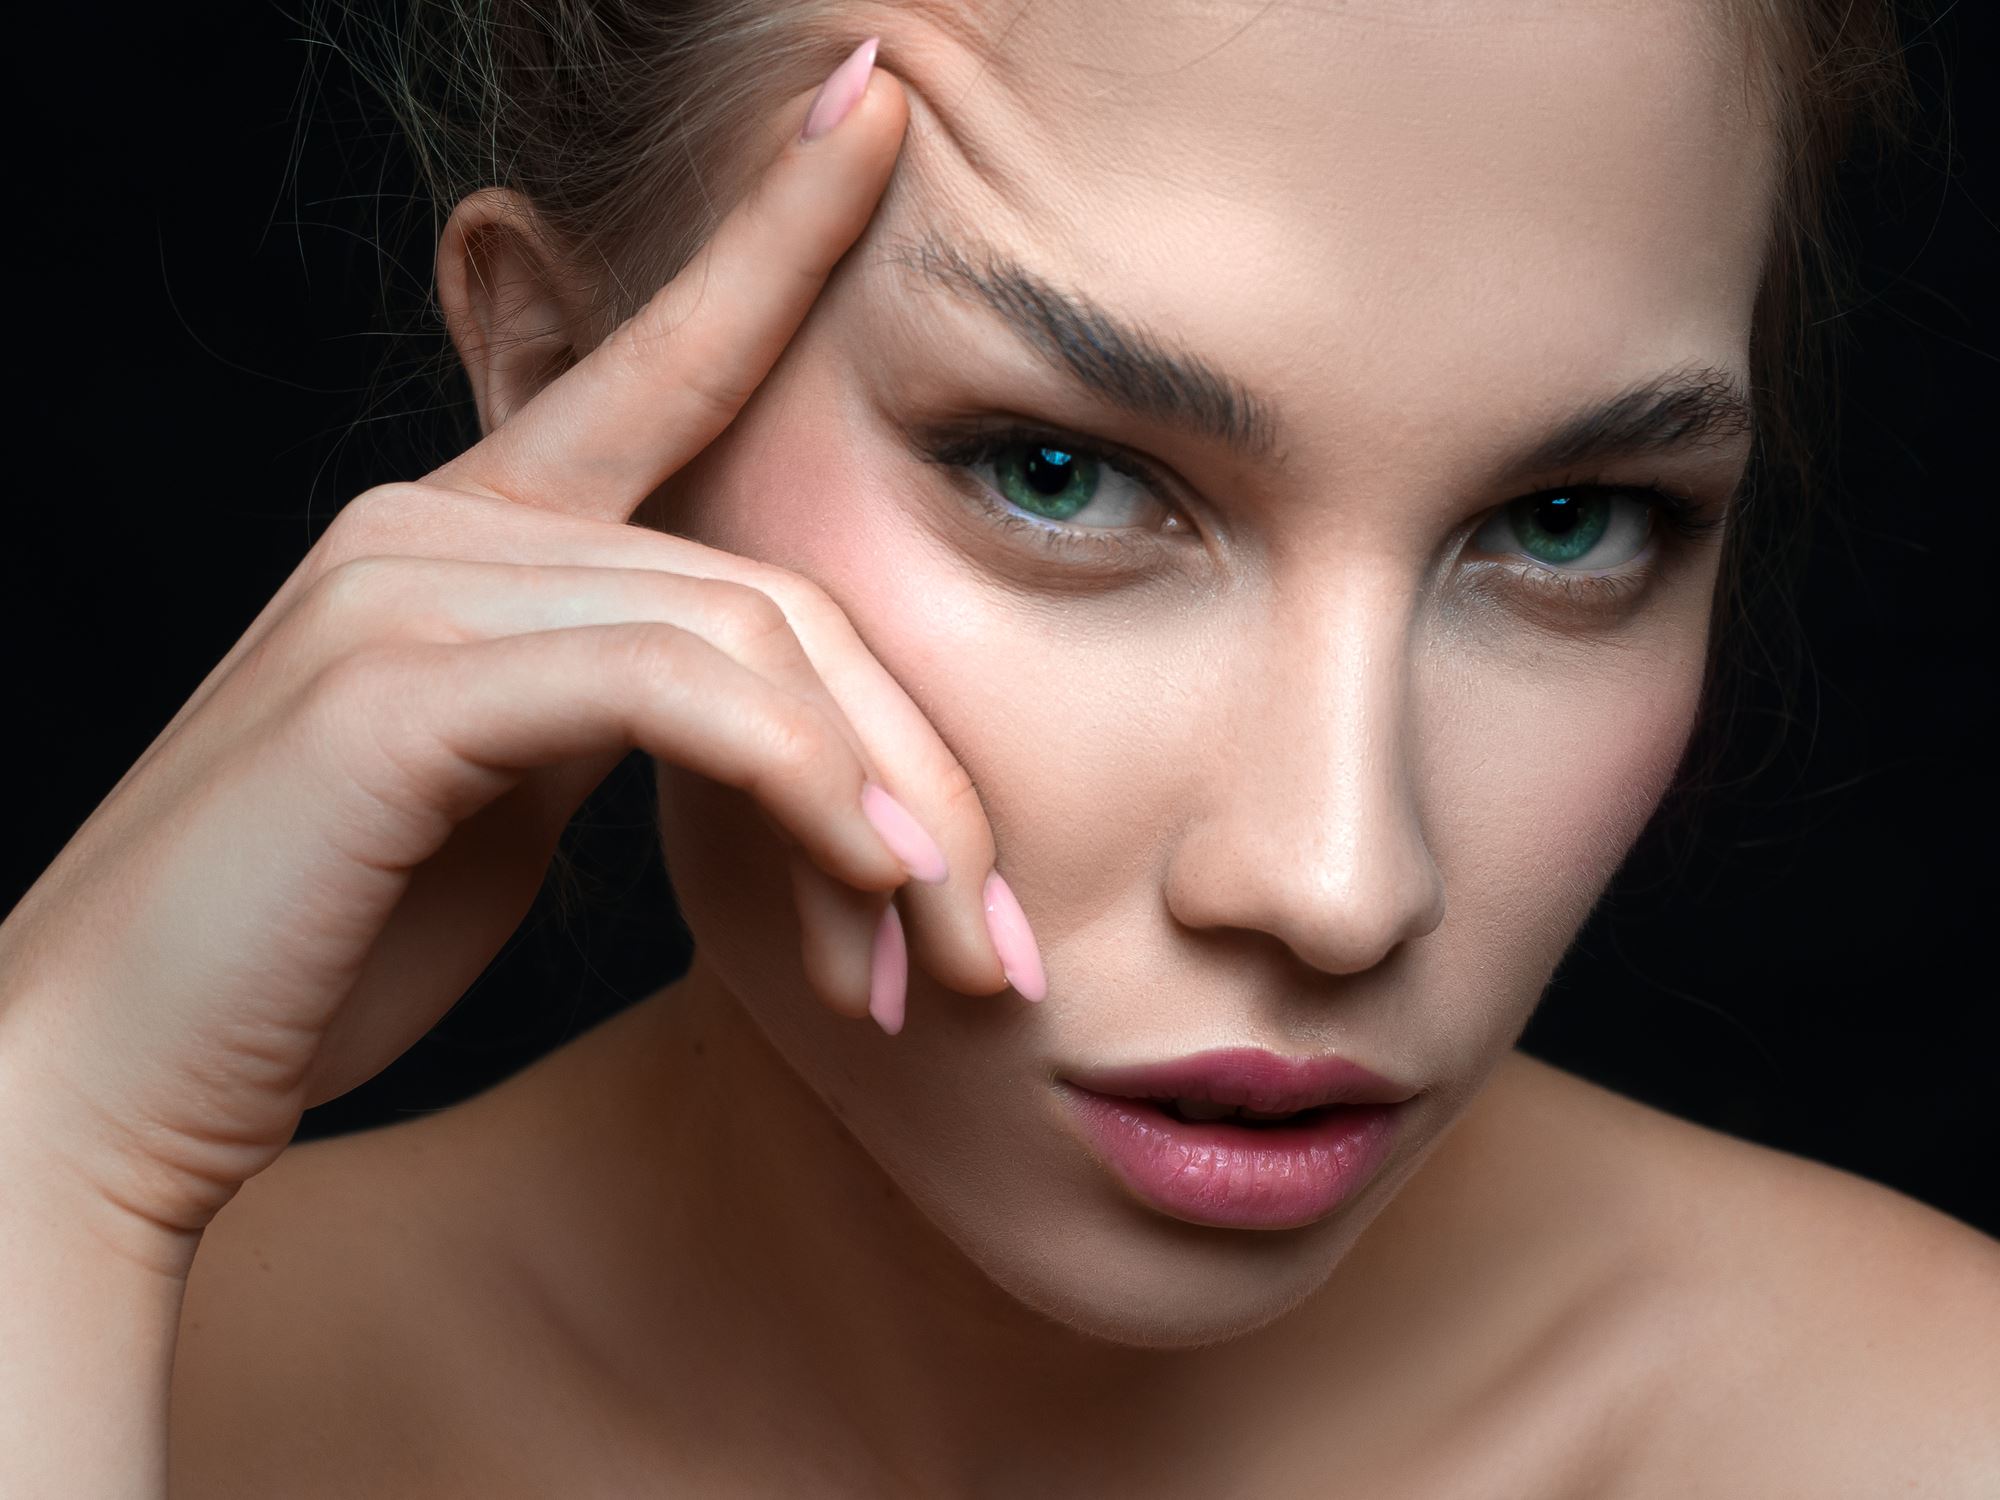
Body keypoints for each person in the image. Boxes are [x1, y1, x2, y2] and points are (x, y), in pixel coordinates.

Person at [4, 2, 1996, 1494]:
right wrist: (48, 1142)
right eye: (1059, 473)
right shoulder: (154, 1372)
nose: (1336, 880)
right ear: (564, 407)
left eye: (1567, 524)